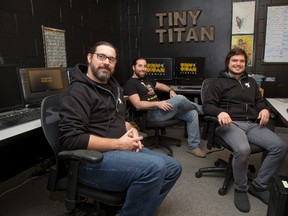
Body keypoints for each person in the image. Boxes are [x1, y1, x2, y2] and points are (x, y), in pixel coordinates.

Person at [58, 41, 182, 216]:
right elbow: (71, 140)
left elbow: (121, 119)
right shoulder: (77, 92)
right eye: (101, 57)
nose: (106, 62)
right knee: (154, 168)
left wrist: (130, 129)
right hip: (90, 161)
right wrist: (119, 144)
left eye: (111, 59)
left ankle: (134, 209)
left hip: (120, 150)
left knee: (173, 167)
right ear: (89, 58)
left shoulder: (113, 87)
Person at [202, 47, 288, 213]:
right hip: (229, 124)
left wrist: (264, 109)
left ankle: (259, 185)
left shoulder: (252, 82)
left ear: (245, 64)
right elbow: (207, 106)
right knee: (243, 149)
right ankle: (241, 188)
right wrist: (220, 112)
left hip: (252, 124)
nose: (238, 64)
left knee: (280, 146)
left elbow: (259, 102)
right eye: (234, 61)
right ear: (228, 62)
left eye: (241, 61)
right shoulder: (217, 83)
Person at [123, 57, 206, 158]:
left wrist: (170, 90)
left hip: (162, 110)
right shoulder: (130, 84)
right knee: (179, 98)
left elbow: (161, 85)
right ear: (133, 67)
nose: (143, 68)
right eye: (140, 66)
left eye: (145, 66)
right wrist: (158, 104)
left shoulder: (147, 79)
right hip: (149, 114)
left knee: (192, 113)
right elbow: (137, 105)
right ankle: (203, 109)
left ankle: (193, 147)